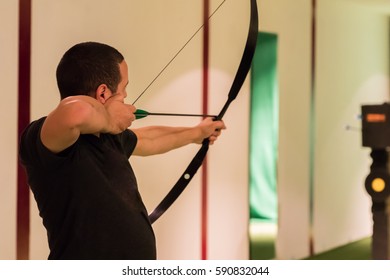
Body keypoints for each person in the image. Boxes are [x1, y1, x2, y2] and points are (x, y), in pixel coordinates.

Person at [19, 42, 226, 260]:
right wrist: (110, 119)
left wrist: (196, 133)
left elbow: (149, 138)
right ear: (103, 93)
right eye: (124, 87)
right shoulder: (42, 136)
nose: (126, 95)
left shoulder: (110, 138)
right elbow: (76, 113)